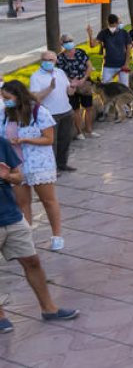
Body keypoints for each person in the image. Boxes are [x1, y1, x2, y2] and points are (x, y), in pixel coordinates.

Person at [0, 134, 79, 333]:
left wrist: (8, 176)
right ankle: (0, 315)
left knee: (32, 261)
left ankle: (49, 308)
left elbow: (19, 177)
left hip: (11, 216)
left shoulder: (1, 143)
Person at [2, 81, 66, 251]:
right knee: (22, 203)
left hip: (39, 164)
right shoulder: (5, 114)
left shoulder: (38, 111)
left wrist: (25, 140)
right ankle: (26, 238)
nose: (4, 100)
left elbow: (49, 139)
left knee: (48, 200)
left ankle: (57, 235)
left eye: (7, 97)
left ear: (18, 96)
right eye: (3, 97)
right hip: (16, 166)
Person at [29, 52, 75, 173]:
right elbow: (36, 98)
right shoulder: (36, 76)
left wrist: (73, 87)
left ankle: (62, 164)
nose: (49, 62)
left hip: (66, 111)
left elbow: (69, 92)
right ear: (41, 60)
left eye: (51, 60)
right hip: (50, 115)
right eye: (46, 59)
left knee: (65, 140)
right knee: (51, 143)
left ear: (56, 61)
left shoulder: (60, 72)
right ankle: (52, 168)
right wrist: (50, 88)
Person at [57, 34, 98, 140]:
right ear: (62, 44)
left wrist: (83, 79)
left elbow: (89, 66)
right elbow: (61, 73)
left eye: (70, 40)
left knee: (89, 107)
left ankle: (89, 130)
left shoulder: (80, 52)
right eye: (66, 41)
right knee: (76, 109)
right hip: (71, 86)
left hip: (85, 83)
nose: (69, 43)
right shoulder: (60, 57)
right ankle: (79, 132)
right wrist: (72, 82)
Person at [89, 15, 132, 85]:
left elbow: (129, 49)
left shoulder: (124, 33)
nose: (112, 28)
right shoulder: (103, 33)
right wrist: (90, 35)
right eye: (110, 26)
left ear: (117, 23)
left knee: (124, 87)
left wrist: (126, 64)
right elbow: (93, 45)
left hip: (122, 65)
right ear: (108, 23)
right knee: (105, 87)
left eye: (114, 26)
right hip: (108, 65)